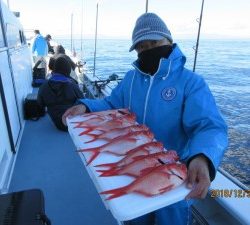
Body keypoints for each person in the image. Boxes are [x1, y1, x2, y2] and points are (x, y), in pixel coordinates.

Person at [62, 13, 228, 225]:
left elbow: (210, 127)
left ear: (169, 40)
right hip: (136, 170)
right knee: (136, 219)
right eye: (141, 47)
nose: (148, 50)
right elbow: (112, 104)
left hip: (175, 176)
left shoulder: (191, 83)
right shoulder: (131, 79)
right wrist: (85, 105)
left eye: (154, 42)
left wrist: (202, 157)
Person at [38, 54, 83, 131]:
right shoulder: (72, 84)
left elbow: (40, 104)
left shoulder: (44, 85)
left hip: (57, 123)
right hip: (72, 123)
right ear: (68, 70)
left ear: (55, 69)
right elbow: (83, 101)